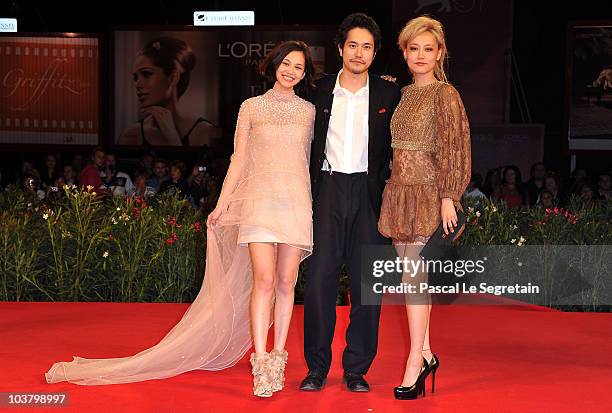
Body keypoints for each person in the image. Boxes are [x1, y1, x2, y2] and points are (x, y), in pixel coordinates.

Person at [45, 41, 316, 399]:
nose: (290, 70)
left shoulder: (309, 111)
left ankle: (279, 357)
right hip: (258, 203)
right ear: (273, 64)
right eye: (286, 63)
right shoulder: (252, 107)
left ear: (304, 72)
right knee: (263, 282)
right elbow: (238, 160)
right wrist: (222, 204)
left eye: (298, 66)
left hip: (295, 203)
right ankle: (262, 360)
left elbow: (304, 160)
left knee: (286, 284)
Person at [300, 13, 401, 393]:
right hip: (326, 191)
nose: (359, 53)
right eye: (353, 45)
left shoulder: (391, 94)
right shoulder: (318, 90)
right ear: (340, 48)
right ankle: (316, 368)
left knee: (368, 286)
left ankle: (357, 368)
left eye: (368, 47)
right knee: (319, 284)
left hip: (370, 196)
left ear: (375, 54)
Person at [377, 16, 470, 400]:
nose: (419, 55)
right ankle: (428, 353)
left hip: (430, 195)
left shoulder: (445, 94)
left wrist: (449, 196)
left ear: (439, 54)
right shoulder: (402, 94)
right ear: (404, 52)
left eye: (427, 49)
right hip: (400, 193)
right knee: (411, 281)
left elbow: (455, 145)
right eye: (413, 48)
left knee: (413, 281)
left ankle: (415, 361)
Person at [117, 37, 222, 146]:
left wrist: (171, 134)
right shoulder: (131, 135)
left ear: (173, 77)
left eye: (147, 74)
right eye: (135, 77)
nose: (137, 84)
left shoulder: (205, 132)